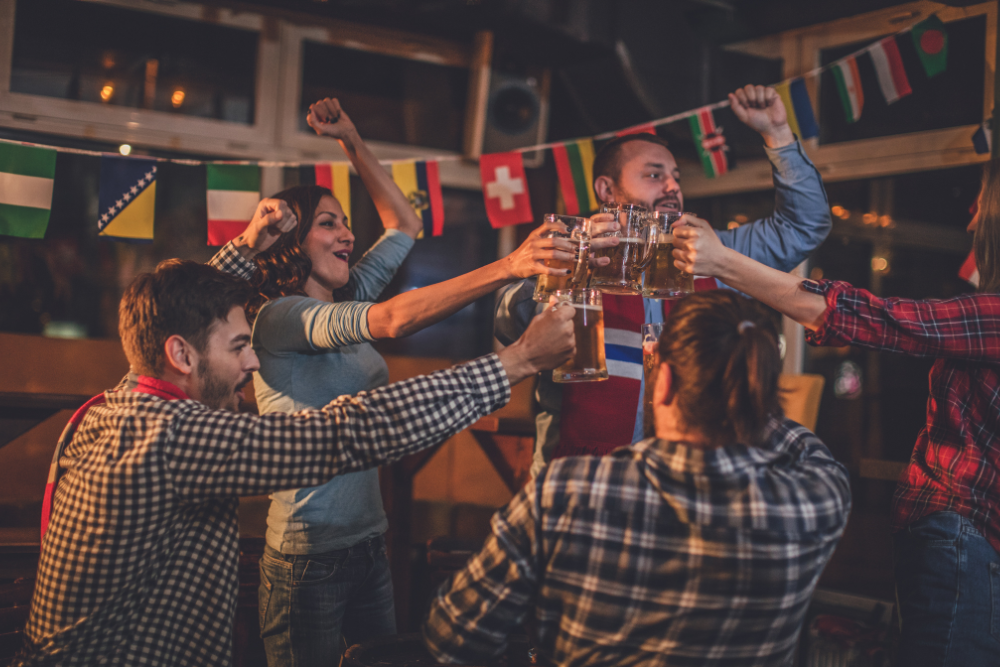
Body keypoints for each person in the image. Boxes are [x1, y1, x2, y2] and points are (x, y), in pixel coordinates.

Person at [16, 258, 576, 667]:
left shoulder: (123, 407)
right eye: (239, 346)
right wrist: (517, 360)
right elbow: (345, 434)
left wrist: (249, 245)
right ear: (181, 355)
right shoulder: (170, 437)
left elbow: (172, 308)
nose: (254, 360)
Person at [235, 98, 587, 667]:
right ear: (291, 241)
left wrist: (351, 138)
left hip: (370, 541)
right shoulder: (280, 317)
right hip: (307, 556)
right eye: (328, 223)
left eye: (346, 221)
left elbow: (405, 223)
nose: (347, 233)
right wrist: (508, 266)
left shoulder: (345, 296)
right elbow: (396, 319)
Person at [670, 159, 1000, 666]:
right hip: (960, 529)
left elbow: (870, 318)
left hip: (966, 533)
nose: (970, 220)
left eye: (980, 206)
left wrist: (722, 262)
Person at [424, 290, 851, 666]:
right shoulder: (815, 499)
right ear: (761, 394)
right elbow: (810, 451)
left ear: (661, 382)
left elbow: (453, 640)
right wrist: (745, 391)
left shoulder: (566, 491)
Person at [494, 85, 832, 475]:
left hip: (687, 476)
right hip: (582, 480)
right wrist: (570, 269)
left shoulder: (712, 253)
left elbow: (803, 227)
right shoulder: (569, 252)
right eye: (655, 175)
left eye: (675, 177)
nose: (673, 187)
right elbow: (507, 325)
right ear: (607, 190)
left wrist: (777, 134)